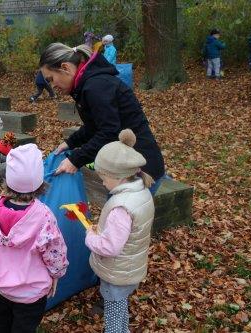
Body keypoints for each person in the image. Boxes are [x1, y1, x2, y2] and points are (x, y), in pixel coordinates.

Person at [39, 42, 166, 194]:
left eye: (51, 79)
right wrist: (70, 142)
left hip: (139, 169)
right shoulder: (88, 84)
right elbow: (94, 125)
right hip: (125, 168)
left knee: (119, 216)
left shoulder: (95, 86)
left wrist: (76, 160)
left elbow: (109, 132)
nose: (52, 86)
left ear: (65, 68)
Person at [0, 143, 69, 333]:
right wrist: (56, 274)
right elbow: (55, 251)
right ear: (39, 182)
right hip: (31, 292)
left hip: (1, 285)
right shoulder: (43, 216)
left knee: (2, 325)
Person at [85, 129, 154, 333]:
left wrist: (91, 236)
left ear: (119, 176)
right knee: (120, 305)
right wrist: (105, 229)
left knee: (113, 315)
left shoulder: (121, 207)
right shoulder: (141, 191)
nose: (102, 181)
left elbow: (110, 247)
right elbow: (128, 232)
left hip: (116, 271)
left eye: (104, 177)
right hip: (130, 267)